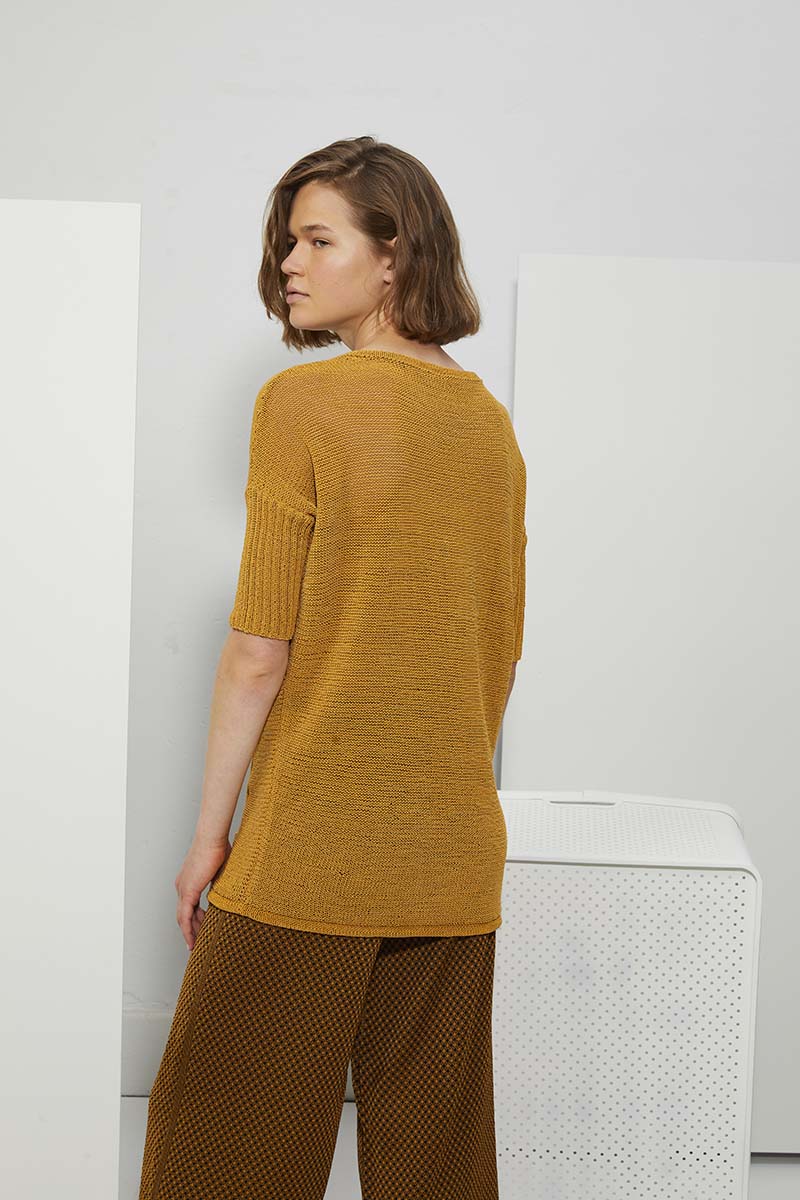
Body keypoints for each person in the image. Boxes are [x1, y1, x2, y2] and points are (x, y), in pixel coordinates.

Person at [138, 134, 527, 1200]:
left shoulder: (302, 404)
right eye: (286, 242)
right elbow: (498, 646)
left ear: (393, 256)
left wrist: (211, 838)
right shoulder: (488, 426)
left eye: (317, 240)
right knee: (434, 1162)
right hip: (454, 845)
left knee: (221, 1147)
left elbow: (258, 650)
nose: (289, 264)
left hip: (313, 842)